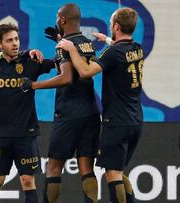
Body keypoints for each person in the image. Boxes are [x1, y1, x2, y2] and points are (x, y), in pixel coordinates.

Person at [58, 7, 143, 203]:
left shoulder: (112, 53)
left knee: (112, 175)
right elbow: (120, 50)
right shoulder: (137, 48)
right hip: (136, 120)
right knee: (119, 173)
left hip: (117, 122)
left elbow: (86, 71)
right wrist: (106, 39)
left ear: (116, 26)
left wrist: (71, 49)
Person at [22, 4, 100, 203]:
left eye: (58, 17)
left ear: (63, 20)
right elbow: (75, 66)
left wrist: (34, 85)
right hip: (90, 112)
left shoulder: (64, 45)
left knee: (54, 167)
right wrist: (59, 41)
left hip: (68, 113)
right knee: (87, 168)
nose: (56, 20)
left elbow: (66, 77)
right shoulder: (86, 42)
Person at [0, 23, 54, 203]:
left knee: (27, 180)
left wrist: (61, 43)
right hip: (0, 134)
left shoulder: (30, 62)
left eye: (16, 39)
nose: (15, 43)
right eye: (9, 41)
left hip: (26, 133)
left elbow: (58, 63)